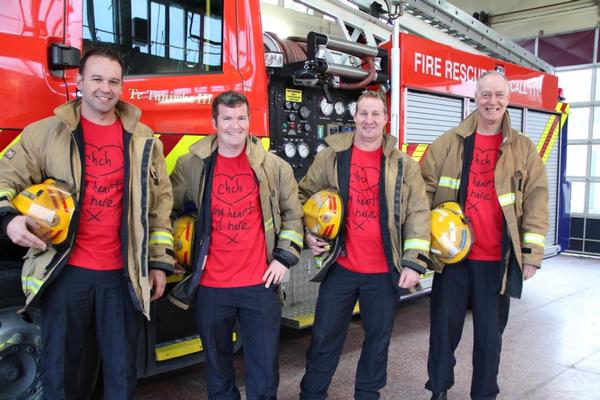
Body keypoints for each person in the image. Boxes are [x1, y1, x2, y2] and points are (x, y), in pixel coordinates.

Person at [0, 48, 174, 399]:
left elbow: (158, 206)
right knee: (62, 373)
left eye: (113, 81)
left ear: (123, 86)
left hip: (122, 277)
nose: (105, 88)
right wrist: (8, 219)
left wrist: (158, 261)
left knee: (121, 374)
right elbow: (5, 176)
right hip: (66, 273)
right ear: (79, 81)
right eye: (96, 79)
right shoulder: (46, 133)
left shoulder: (144, 139)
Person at [167, 91, 304, 400]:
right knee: (217, 369)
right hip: (212, 286)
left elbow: (293, 214)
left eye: (241, 118)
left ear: (249, 121)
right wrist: (172, 251)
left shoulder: (274, 166)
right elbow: (166, 208)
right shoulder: (192, 164)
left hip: (259, 284)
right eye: (227, 118)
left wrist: (283, 258)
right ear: (214, 122)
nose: (235, 126)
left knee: (265, 370)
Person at [421, 70, 549, 400]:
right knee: (443, 334)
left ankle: (484, 394)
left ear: (508, 99)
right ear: (475, 98)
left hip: (497, 262)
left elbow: (536, 199)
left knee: (490, 338)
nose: (492, 101)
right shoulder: (449, 143)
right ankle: (438, 390)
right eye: (485, 95)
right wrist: (423, 244)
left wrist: (531, 254)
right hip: (452, 260)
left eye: (499, 95)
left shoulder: (522, 148)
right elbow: (421, 192)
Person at [298, 90, 431, 400]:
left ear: (386, 120)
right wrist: (308, 229)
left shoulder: (403, 164)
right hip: (341, 266)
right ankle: (311, 394)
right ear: (354, 117)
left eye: (376, 114)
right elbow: (304, 195)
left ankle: (367, 394)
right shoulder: (331, 155)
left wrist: (413, 263)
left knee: (377, 340)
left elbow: (418, 213)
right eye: (363, 113)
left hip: (385, 271)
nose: (369, 120)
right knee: (324, 338)